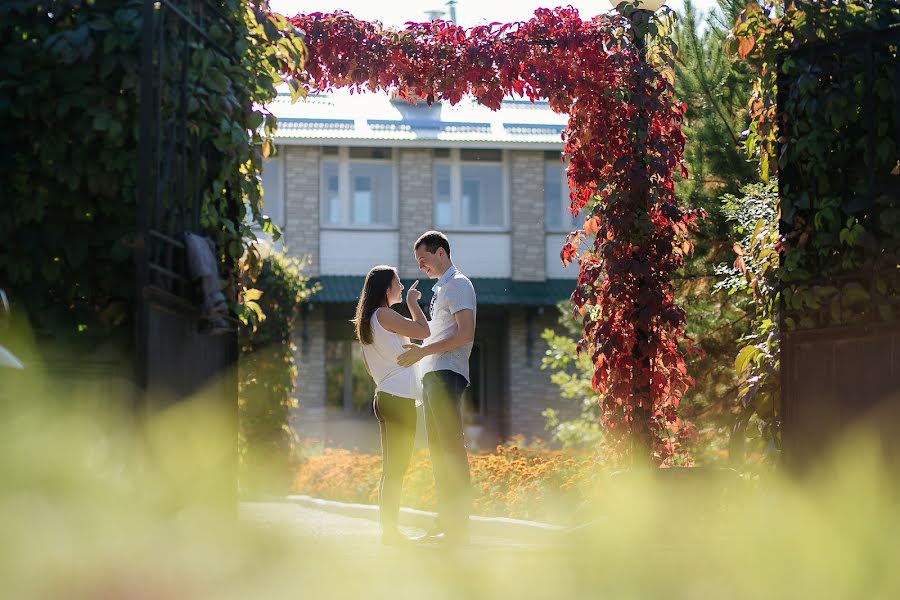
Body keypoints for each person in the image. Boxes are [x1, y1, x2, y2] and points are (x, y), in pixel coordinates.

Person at [397, 231, 476, 545]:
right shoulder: (442, 288)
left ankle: (458, 525)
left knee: (450, 450)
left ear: (440, 252)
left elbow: (465, 334)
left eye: (424, 260)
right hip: (432, 375)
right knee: (439, 453)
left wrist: (422, 352)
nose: (421, 267)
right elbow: (434, 334)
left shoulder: (458, 284)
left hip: (446, 374)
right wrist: (413, 305)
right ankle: (446, 521)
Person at [353, 265, 430, 546]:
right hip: (398, 399)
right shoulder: (385, 314)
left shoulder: (369, 319)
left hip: (385, 395)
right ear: (387, 288)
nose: (401, 286)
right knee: (397, 469)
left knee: (392, 470)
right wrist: (412, 303)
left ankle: (389, 532)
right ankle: (391, 533)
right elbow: (424, 330)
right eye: (398, 283)